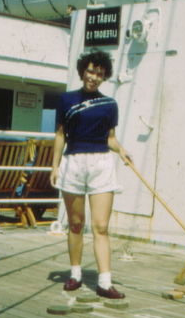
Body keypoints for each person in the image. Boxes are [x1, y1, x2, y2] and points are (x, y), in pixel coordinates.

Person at [50, 49, 131, 299]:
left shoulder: (109, 104)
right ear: (83, 71)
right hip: (73, 162)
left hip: (101, 164)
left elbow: (111, 139)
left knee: (101, 226)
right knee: (75, 224)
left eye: (99, 73)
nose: (94, 77)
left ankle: (104, 282)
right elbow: (61, 135)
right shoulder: (66, 100)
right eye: (91, 71)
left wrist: (123, 151)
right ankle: (75, 275)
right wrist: (54, 166)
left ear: (104, 77)